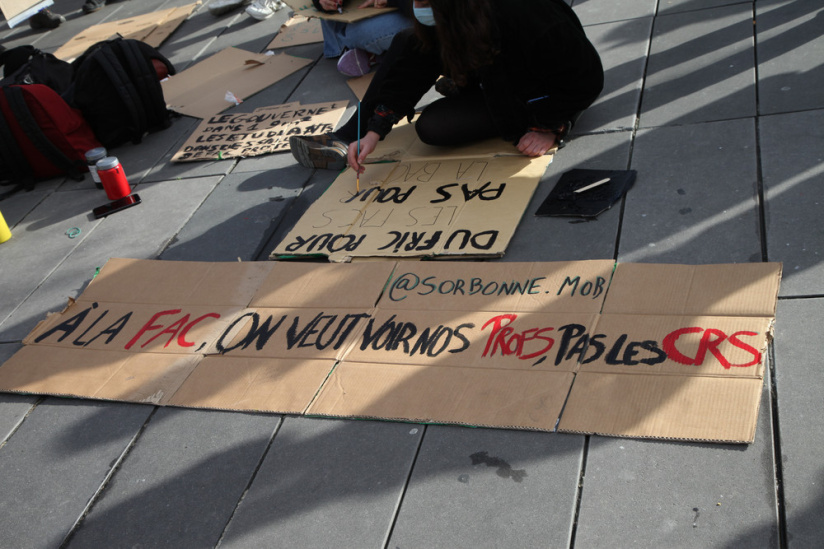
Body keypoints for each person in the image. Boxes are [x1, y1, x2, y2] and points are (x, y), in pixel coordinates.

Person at [289, 0, 604, 173]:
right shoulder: (451, 14)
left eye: (424, 1)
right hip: (489, 66)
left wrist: (548, 125)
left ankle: (543, 116)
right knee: (408, 40)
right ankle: (353, 132)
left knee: (435, 128)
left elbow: (586, 78)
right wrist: (375, 128)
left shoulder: (527, 13)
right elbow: (411, 65)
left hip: (537, 90)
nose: (416, 6)